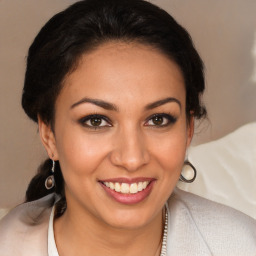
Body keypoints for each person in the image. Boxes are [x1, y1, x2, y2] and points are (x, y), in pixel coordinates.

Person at [0, 0, 255, 255]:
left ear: (188, 129)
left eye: (158, 119)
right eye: (96, 121)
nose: (132, 159)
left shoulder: (240, 245)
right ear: (49, 135)